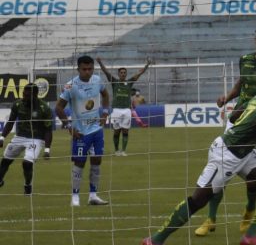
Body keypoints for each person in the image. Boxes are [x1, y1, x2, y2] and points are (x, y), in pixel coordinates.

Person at [141, 67, 256, 245]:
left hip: (245, 152)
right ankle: (155, 240)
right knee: (198, 199)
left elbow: (236, 117)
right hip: (227, 153)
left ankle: (252, 235)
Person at [195, 20, 256, 237]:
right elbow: (241, 84)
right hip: (237, 121)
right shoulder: (244, 60)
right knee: (219, 170)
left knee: (254, 176)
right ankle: (210, 218)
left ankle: (249, 210)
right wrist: (227, 97)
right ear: (255, 37)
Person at [55, 55, 110, 207]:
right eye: (84, 69)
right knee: (79, 162)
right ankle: (75, 196)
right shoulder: (70, 86)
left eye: (90, 69)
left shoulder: (97, 80)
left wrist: (105, 113)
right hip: (81, 132)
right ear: (78, 69)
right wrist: (68, 126)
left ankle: (93, 195)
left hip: (97, 130)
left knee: (96, 161)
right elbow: (58, 107)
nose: (87, 72)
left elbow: (105, 95)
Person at [0, 84, 54, 195]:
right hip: (19, 137)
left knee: (27, 163)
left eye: (27, 95)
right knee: (5, 160)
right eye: (23, 94)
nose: (24, 97)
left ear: (35, 95)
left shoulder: (44, 108)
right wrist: (2, 137)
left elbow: (48, 130)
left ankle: (27, 186)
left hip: (36, 139)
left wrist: (47, 150)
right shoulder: (18, 104)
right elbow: (10, 123)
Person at [96, 57, 151, 156]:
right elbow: (106, 71)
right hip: (116, 110)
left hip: (127, 110)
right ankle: (117, 150)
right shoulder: (114, 82)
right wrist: (100, 62)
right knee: (116, 132)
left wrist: (146, 65)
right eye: (121, 72)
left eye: (124, 72)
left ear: (126, 74)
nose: (123, 74)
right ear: (118, 74)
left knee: (125, 131)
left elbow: (139, 73)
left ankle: (123, 151)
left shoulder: (129, 83)